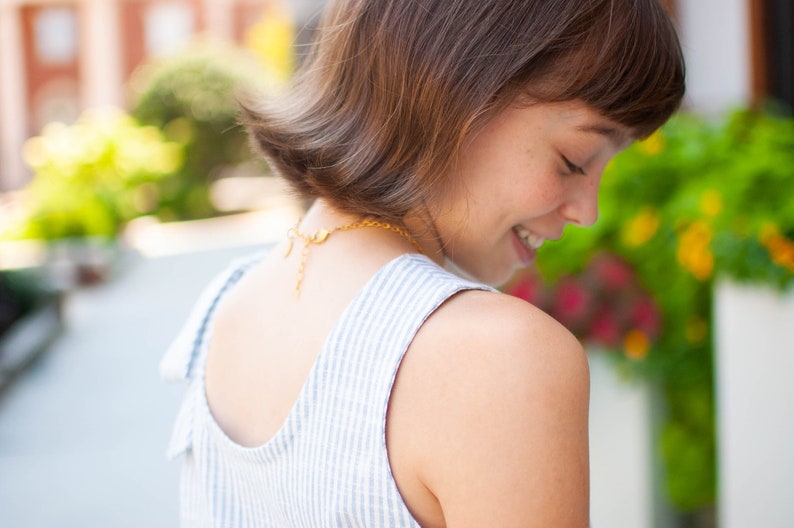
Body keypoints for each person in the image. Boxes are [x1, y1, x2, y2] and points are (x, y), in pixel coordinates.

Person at [161, 0, 685, 526]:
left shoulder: (228, 306)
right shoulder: (499, 358)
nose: (587, 211)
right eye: (574, 160)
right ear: (455, 86)